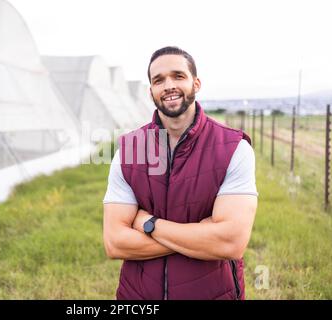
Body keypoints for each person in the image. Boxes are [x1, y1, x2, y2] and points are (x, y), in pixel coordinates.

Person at [102, 46, 258, 300]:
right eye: (158, 80)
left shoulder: (234, 148)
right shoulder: (129, 151)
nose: (168, 85)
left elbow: (230, 243)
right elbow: (115, 242)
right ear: (150, 91)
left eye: (178, 76)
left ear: (196, 83)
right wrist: (200, 236)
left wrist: (147, 224)